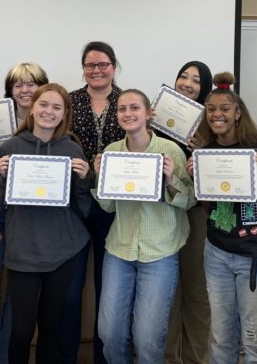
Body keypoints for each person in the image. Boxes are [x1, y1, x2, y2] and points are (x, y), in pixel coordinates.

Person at [0, 83, 92, 364]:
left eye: (57, 107)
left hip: (63, 252)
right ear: (32, 108)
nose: (49, 111)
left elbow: (82, 209)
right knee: (21, 332)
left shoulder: (73, 150)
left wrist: (84, 181)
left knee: (51, 327)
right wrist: (1, 178)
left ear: (64, 114)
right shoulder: (9, 148)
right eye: (43, 104)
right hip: (23, 252)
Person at [95, 89, 195, 364]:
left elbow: (189, 202)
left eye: (134, 108)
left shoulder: (169, 150)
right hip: (120, 249)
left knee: (147, 338)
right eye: (122, 109)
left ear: (149, 113)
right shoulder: (112, 152)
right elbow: (107, 207)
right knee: (110, 334)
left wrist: (171, 178)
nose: (128, 114)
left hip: (160, 251)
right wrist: (99, 176)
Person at [193, 73, 257, 364]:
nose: (217, 114)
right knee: (221, 337)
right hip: (218, 252)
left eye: (224, 109)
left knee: (256, 340)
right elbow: (210, 209)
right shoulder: (205, 151)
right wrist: (198, 179)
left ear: (237, 113)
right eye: (211, 109)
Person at [0, 62, 50, 364]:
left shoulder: (49, 123)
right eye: (18, 84)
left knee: (16, 297)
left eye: (31, 84)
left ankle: (0, 357)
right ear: (10, 90)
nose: (25, 90)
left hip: (28, 222)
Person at [67, 41, 125, 364]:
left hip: (114, 207)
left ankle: (105, 358)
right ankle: (68, 356)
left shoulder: (128, 101)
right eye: (90, 65)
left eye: (102, 64)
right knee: (72, 289)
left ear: (113, 67)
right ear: (83, 69)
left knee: (108, 288)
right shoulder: (70, 102)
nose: (96, 70)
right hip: (76, 204)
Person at [163, 61, 213, 364]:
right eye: (183, 76)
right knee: (166, 292)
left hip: (196, 213)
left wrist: (205, 149)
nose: (187, 83)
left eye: (196, 80)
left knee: (195, 290)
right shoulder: (157, 115)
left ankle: (196, 358)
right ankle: (168, 357)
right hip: (161, 212)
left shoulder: (212, 121)